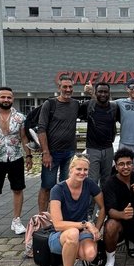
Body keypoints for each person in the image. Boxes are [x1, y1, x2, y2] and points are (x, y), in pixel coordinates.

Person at [48, 154, 106, 266]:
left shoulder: (89, 184)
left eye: (85, 170)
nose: (82, 173)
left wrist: (97, 230)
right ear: (71, 170)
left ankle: (75, 258)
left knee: (91, 254)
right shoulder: (58, 189)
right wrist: (86, 224)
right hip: (60, 235)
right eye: (78, 169)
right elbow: (57, 224)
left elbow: (103, 207)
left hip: (82, 231)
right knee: (73, 232)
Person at [0, 87, 32, 240]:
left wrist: (28, 156)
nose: (6, 100)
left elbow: (23, 138)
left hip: (15, 157)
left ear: (13, 99)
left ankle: (16, 221)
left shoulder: (20, 117)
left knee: (18, 189)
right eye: (3, 97)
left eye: (9, 97)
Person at [37, 76, 79, 213]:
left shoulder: (75, 104)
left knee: (66, 185)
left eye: (70, 87)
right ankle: (42, 217)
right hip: (52, 153)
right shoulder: (50, 104)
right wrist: (46, 152)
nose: (68, 90)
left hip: (69, 152)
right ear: (59, 87)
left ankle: (61, 214)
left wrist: (91, 93)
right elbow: (41, 129)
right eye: (65, 87)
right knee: (47, 186)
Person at [78, 82, 117, 219]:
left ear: (109, 93)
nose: (103, 94)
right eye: (100, 91)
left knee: (106, 181)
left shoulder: (113, 107)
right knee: (92, 181)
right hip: (93, 149)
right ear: (95, 92)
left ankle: (104, 210)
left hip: (108, 148)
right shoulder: (88, 105)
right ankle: (88, 212)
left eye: (105, 92)